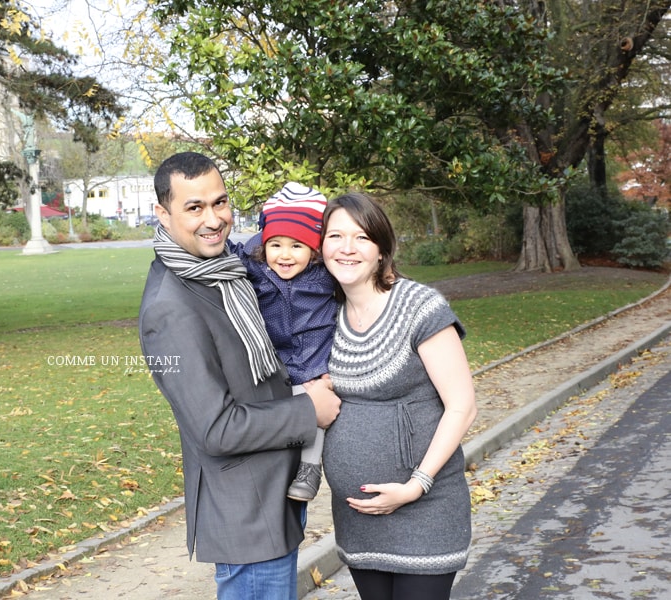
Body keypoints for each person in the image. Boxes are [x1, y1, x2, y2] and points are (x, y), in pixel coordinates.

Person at [138, 152, 341, 600]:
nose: (214, 220)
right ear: (162, 213)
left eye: (220, 202)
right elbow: (215, 429)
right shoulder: (169, 309)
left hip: (274, 495)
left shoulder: (225, 272)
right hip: (245, 513)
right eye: (194, 208)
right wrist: (312, 410)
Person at [320, 192, 478, 600]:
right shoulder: (324, 315)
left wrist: (416, 485)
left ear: (381, 249)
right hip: (358, 515)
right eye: (335, 236)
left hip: (424, 506)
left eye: (361, 237)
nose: (347, 248)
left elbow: (463, 406)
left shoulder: (419, 307)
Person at [229, 182, 337, 501]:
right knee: (280, 407)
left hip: (315, 361)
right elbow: (232, 253)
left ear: (314, 249)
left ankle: (310, 468)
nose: (284, 255)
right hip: (275, 361)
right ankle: (281, 464)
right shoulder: (257, 269)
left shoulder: (325, 274)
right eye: (275, 244)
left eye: (297, 246)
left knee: (314, 400)